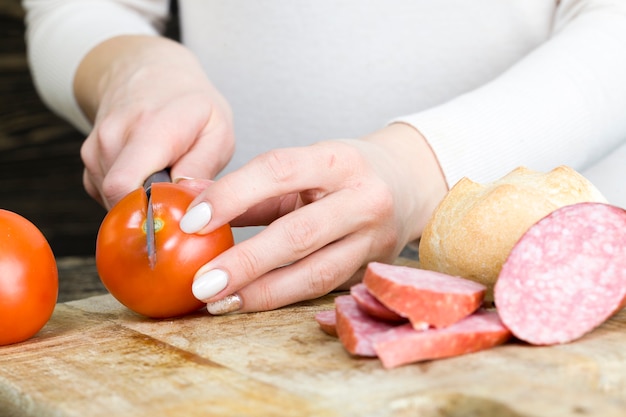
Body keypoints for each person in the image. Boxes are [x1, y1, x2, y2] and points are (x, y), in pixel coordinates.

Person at [23, 0, 626, 315]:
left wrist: (423, 167)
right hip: (239, 300)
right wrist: (130, 63)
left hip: (549, 262)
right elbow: (79, 6)